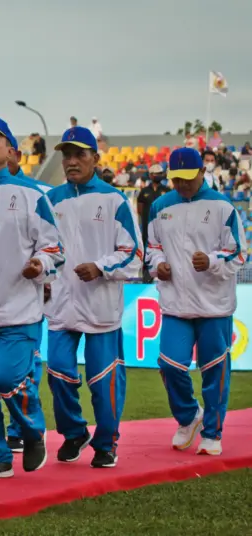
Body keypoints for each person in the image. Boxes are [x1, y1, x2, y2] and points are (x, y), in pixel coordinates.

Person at [0, 114, 63, 478]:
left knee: (8, 380)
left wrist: (39, 263)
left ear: (10, 150)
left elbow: (55, 248)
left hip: (18, 310)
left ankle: (33, 432)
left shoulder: (33, 195)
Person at [45, 126, 143, 469]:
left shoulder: (114, 200)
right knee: (57, 372)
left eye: (79, 154)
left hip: (101, 305)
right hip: (60, 304)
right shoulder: (51, 199)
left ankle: (107, 442)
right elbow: (41, 247)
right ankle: (74, 432)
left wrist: (101, 267)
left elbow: (134, 253)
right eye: (66, 155)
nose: (71, 161)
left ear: (95, 158)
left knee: (103, 380)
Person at [147, 148, 246, 456]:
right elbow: (152, 247)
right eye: (175, 179)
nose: (181, 185)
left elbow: (239, 252)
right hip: (176, 302)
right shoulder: (160, 206)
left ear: (202, 172)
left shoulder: (222, 205)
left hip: (214, 305)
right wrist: (158, 264)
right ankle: (190, 415)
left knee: (214, 369)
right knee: (169, 364)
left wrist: (213, 260)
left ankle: (213, 434)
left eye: (187, 179)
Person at [4, 134, 52, 454]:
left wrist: (47, 275)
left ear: (16, 155)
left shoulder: (41, 194)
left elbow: (56, 244)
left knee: (23, 367)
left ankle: (22, 429)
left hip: (27, 295)